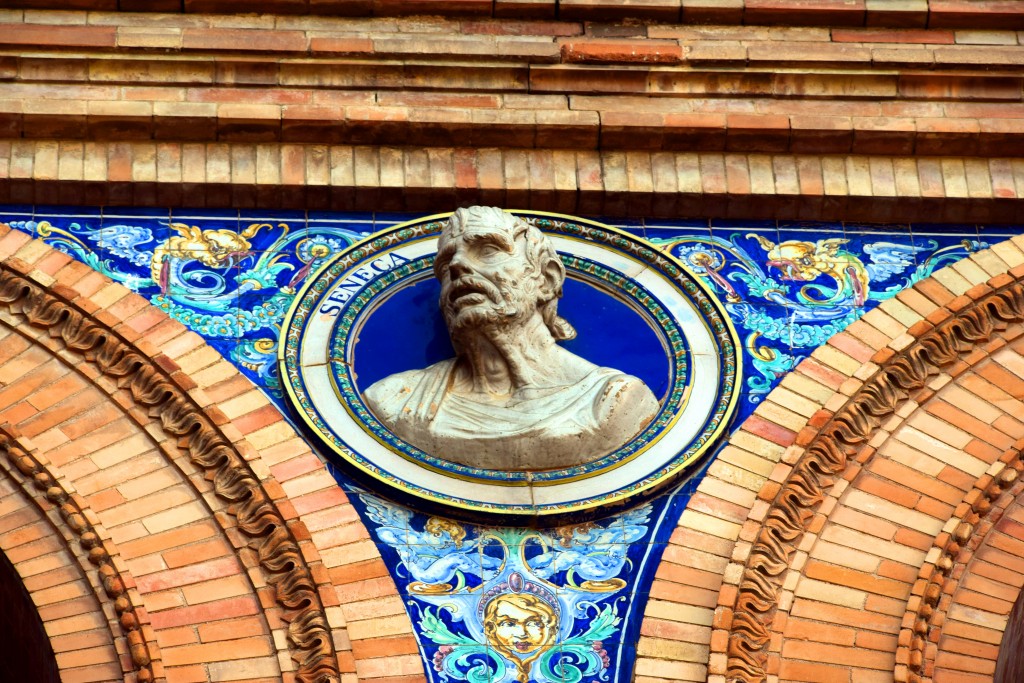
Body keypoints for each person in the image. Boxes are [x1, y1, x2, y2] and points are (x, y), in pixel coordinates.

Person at [363, 206, 659, 471]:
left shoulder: (613, 401)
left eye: (488, 250)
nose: (457, 267)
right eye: (444, 265)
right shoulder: (395, 400)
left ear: (547, 280)